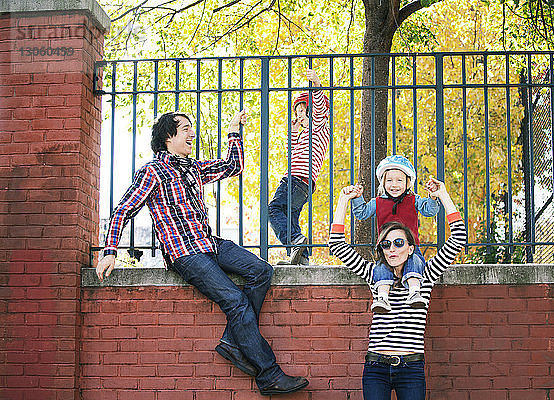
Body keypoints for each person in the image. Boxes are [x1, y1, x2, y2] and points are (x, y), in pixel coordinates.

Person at [96, 110, 309, 396]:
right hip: (184, 253)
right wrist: (109, 252)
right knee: (236, 301)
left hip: (209, 243)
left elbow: (234, 166)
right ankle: (269, 375)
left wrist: (234, 130)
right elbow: (123, 210)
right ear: (168, 137)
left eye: (191, 128)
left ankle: (234, 341)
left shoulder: (193, 167)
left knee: (262, 271)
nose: (191, 134)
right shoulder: (152, 172)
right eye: (185, 129)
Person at [329, 178, 466, 400]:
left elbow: (458, 237)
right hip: (376, 368)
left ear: (411, 248)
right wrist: (344, 200)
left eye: (399, 243)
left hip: (410, 369)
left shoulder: (425, 276)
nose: (392, 249)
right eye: (386, 244)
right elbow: (336, 244)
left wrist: (443, 194)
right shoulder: (374, 274)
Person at [346, 155, 440, 312]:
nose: (394, 185)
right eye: (389, 180)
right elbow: (361, 213)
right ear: (383, 182)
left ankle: (414, 293)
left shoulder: (413, 199)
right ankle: (382, 297)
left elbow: (430, 210)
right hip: (387, 249)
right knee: (380, 267)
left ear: (407, 183)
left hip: (410, 248)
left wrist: (432, 196)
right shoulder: (377, 202)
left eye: (399, 180)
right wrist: (357, 198)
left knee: (416, 261)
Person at [268, 69, 330, 265]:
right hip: (302, 182)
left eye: (303, 111)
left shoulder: (320, 126)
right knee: (290, 218)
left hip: (295, 179)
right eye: (297, 113)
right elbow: (292, 153)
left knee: (273, 209)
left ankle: (293, 242)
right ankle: (301, 259)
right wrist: (293, 132)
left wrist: (317, 85)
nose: (300, 116)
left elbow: (320, 108)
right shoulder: (305, 134)